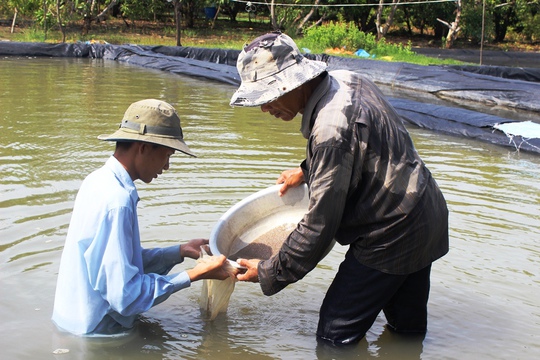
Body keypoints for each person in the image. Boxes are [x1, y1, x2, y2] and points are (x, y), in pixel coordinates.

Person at [231, 32, 449, 346]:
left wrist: (269, 271)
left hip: (391, 234)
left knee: (334, 335)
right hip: (425, 212)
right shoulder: (347, 79)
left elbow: (319, 226)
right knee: (407, 330)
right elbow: (365, 145)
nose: (265, 108)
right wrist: (307, 170)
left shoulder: (329, 131)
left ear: (292, 83)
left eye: (268, 96)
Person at [52, 99, 235, 336]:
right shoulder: (118, 201)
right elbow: (125, 297)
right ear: (144, 148)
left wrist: (179, 251)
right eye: (167, 155)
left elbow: (115, 263)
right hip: (100, 333)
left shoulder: (97, 180)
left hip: (71, 320)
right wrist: (194, 275)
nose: (167, 166)